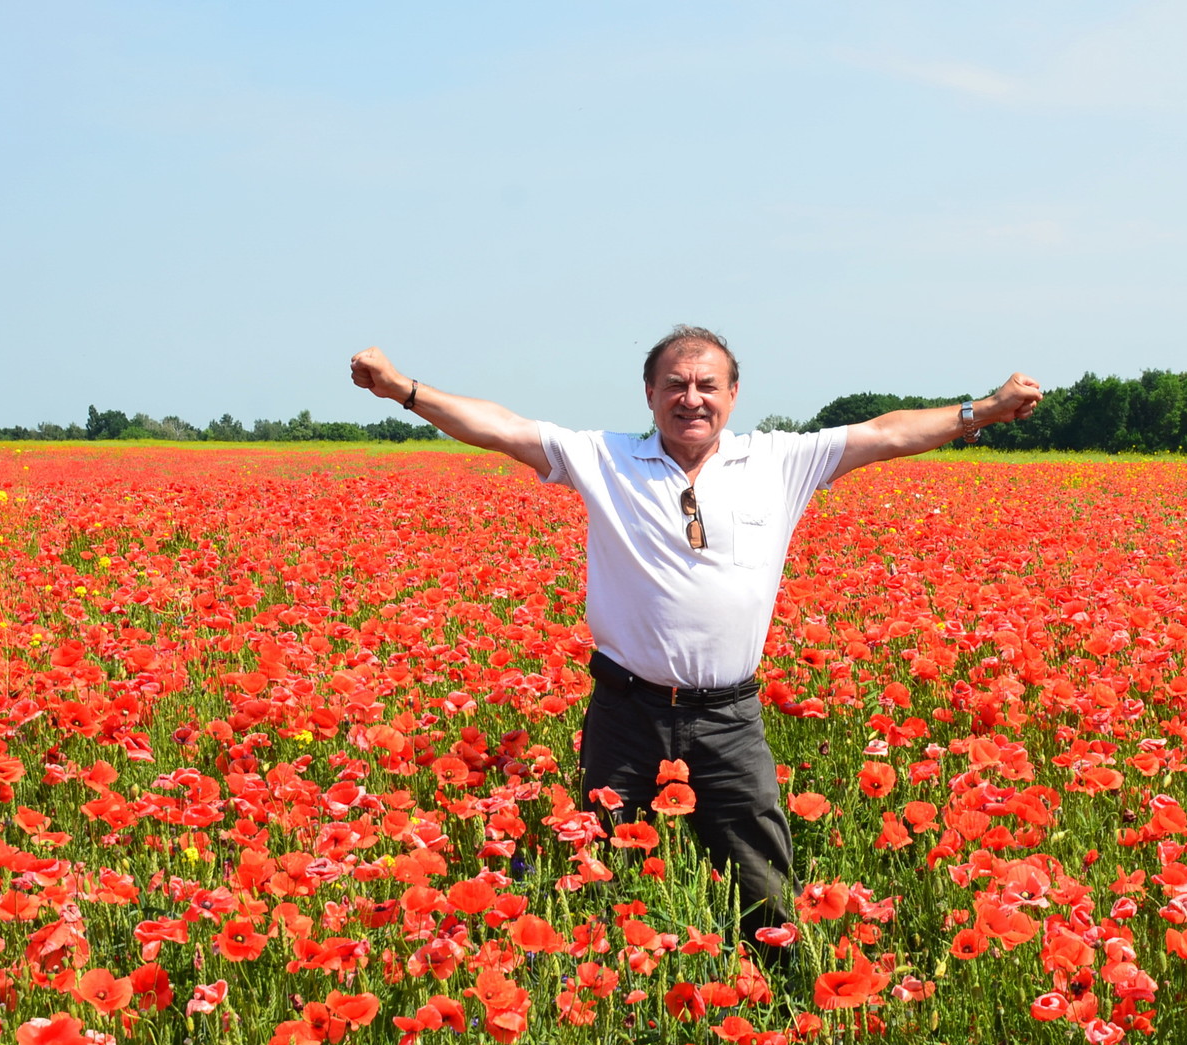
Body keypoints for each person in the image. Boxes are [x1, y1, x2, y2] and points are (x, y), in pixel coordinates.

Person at [349, 326, 1040, 949]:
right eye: (675, 385)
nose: (692, 399)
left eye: (708, 385)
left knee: (763, 883)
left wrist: (983, 409)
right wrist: (403, 390)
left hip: (729, 718)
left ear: (734, 395)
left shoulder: (779, 462)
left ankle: (781, 1009)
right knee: (604, 879)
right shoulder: (606, 459)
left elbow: (886, 433)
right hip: (626, 713)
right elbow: (501, 427)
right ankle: (612, 1021)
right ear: (649, 394)